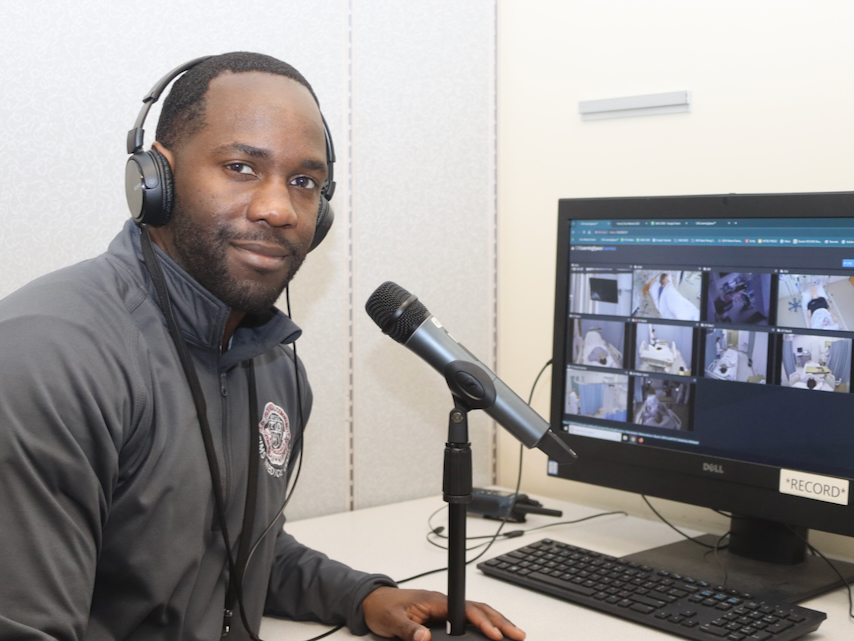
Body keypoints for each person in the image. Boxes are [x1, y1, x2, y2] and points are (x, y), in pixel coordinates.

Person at [0, 53, 525, 641]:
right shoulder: (47, 358)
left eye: (304, 182)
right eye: (241, 167)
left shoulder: (269, 362)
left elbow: (227, 548)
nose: (278, 209)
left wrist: (363, 596)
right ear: (156, 180)